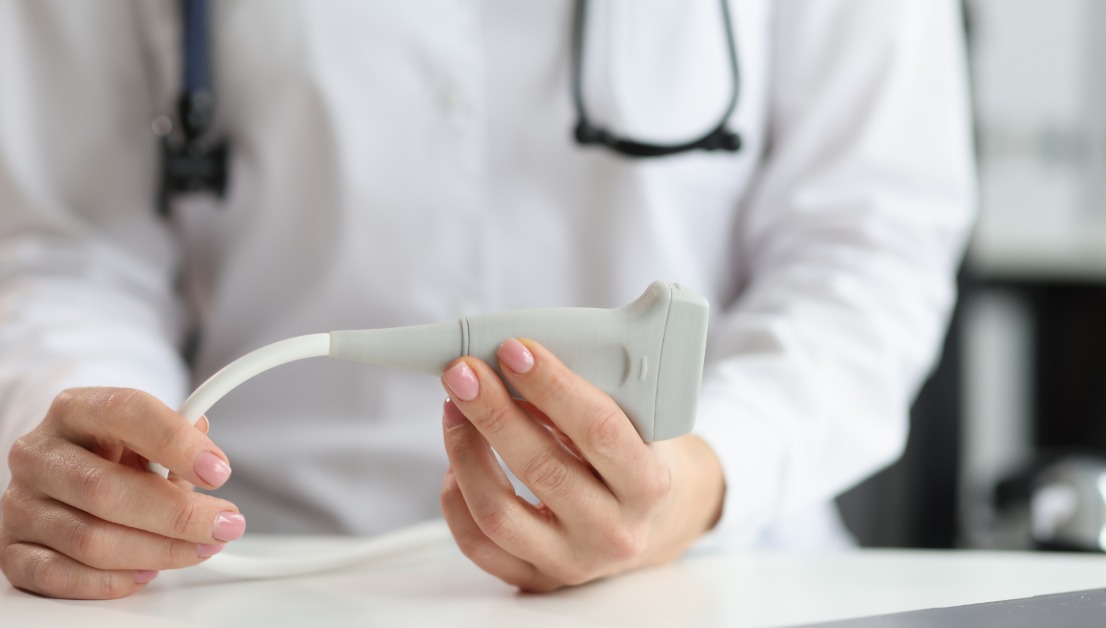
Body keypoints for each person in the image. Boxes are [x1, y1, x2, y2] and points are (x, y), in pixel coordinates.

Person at [0, 0, 974, 599]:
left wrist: (707, 472)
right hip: (246, 573)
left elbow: (870, 242)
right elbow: (66, 245)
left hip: (709, 576)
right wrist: (102, 455)